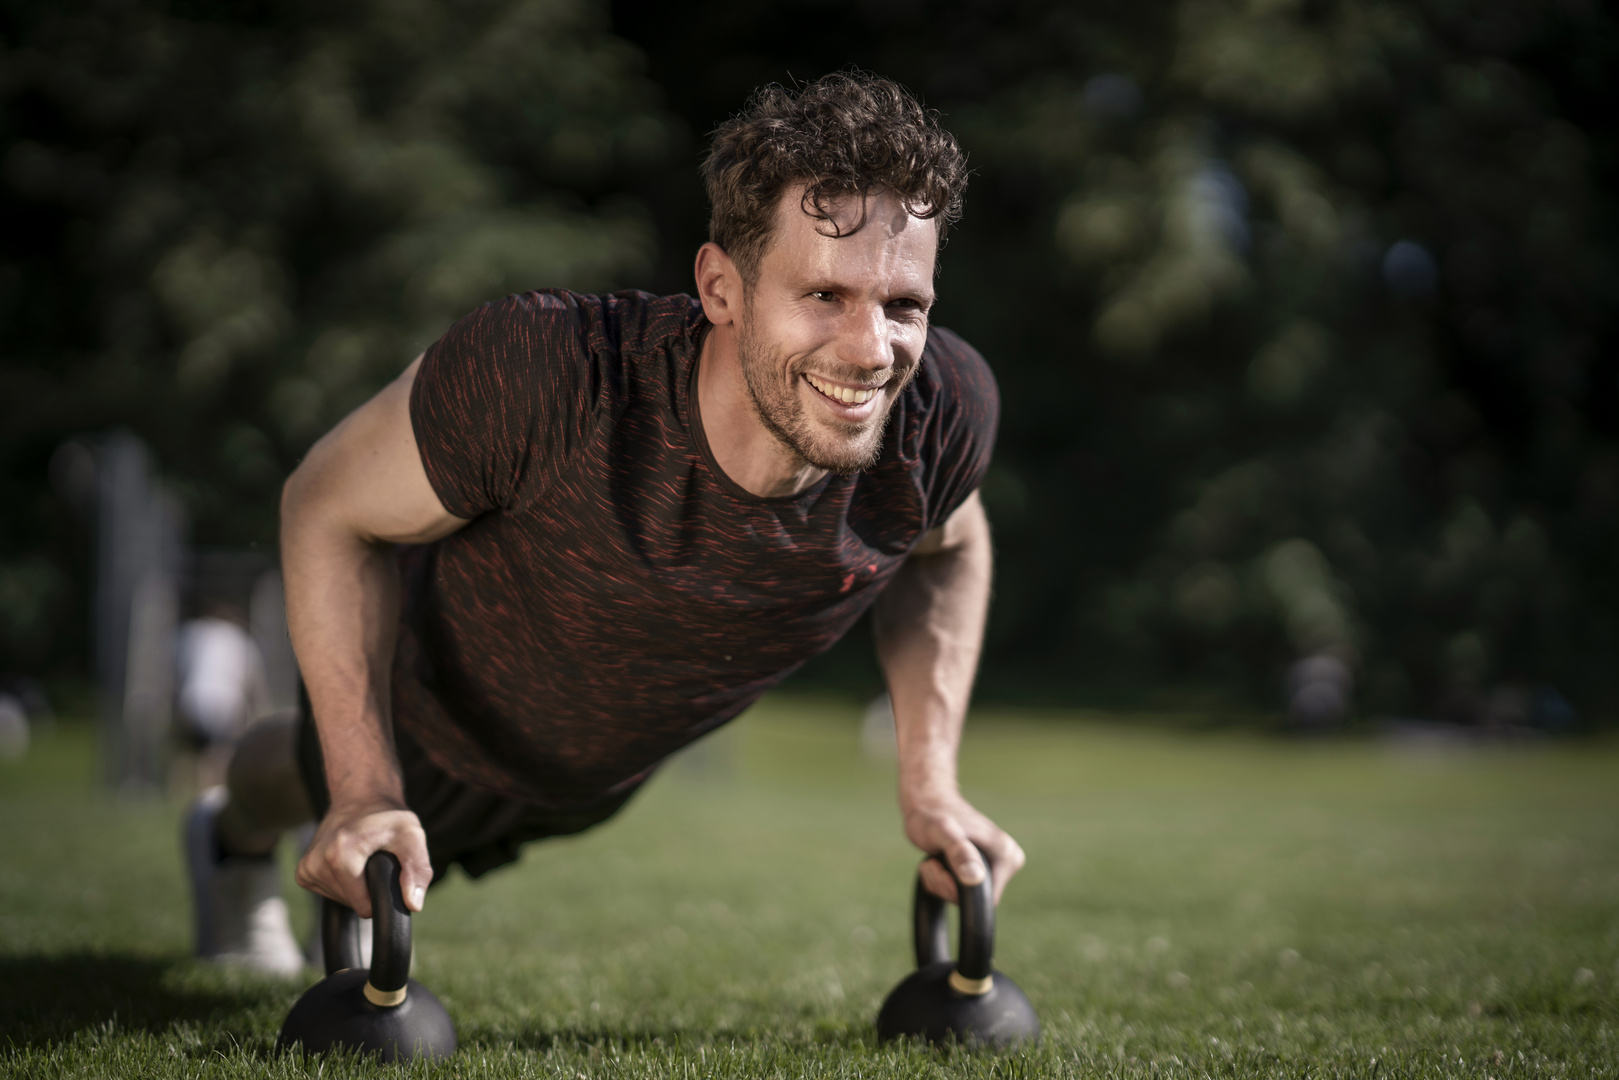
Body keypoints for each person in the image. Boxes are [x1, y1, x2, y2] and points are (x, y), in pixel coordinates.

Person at [184, 71, 1025, 974]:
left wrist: (929, 782)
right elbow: (325, 503)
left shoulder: (940, 410)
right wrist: (357, 791)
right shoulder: (549, 376)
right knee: (285, 774)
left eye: (904, 306)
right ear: (721, 287)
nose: (872, 350)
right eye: (823, 295)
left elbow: (950, 545)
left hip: (599, 774)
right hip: (427, 711)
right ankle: (228, 842)